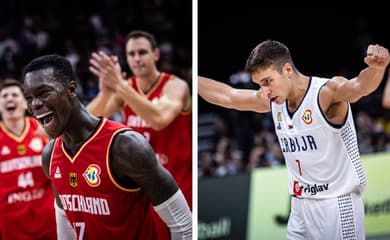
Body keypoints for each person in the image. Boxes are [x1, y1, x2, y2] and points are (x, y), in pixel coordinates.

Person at [198, 40, 390, 240]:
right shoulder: (273, 101)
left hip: (336, 205)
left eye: (267, 81)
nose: (264, 91)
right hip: (299, 207)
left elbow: (359, 86)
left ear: (287, 70)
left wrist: (377, 69)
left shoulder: (326, 92)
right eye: (259, 85)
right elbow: (228, 96)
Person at [23, 54, 192, 240]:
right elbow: (66, 228)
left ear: (71, 89)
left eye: (44, 93)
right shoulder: (50, 155)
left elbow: (184, 225)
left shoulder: (125, 146)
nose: (35, 104)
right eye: (29, 98)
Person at [86, 30, 192, 239]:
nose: (136, 58)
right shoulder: (126, 89)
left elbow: (159, 119)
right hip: (142, 191)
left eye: (142, 52)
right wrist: (105, 94)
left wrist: (120, 86)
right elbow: (86, 122)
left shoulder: (175, 86)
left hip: (176, 186)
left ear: (156, 55)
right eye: (131, 54)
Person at [0, 79, 57, 239]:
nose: (10, 99)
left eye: (14, 95)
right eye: (4, 96)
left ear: (26, 104)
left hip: (47, 219)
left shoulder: (45, 129)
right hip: (12, 223)